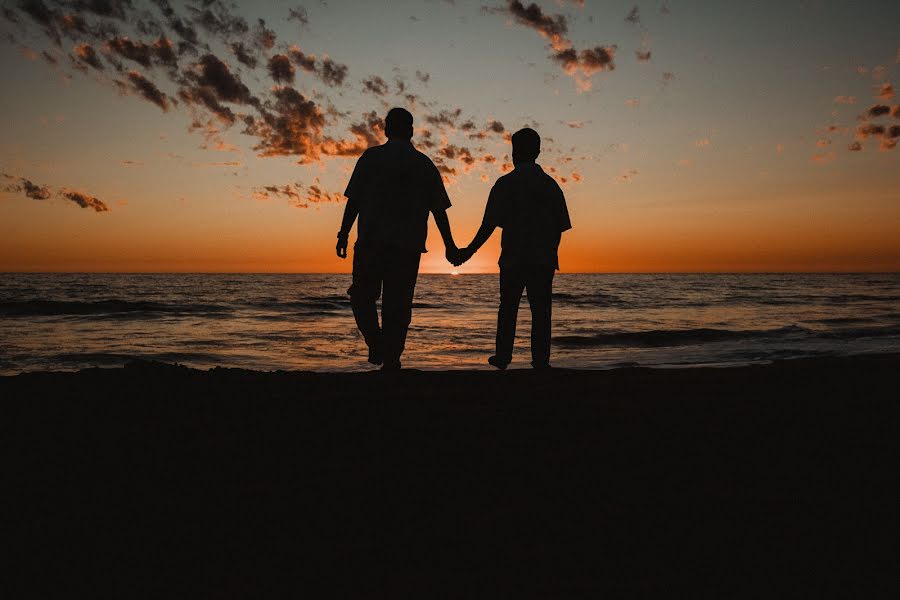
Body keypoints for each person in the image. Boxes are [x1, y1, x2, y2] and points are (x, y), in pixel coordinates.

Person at [337, 107, 458, 370]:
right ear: (411, 130)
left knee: (361, 297)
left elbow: (354, 201)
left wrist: (343, 233)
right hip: (407, 247)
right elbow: (439, 210)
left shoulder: (370, 158)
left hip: (371, 243)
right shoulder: (423, 164)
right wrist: (450, 246)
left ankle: (377, 344)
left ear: (386, 129)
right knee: (398, 306)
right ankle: (390, 358)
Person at [452, 128, 571, 369]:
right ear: (538, 152)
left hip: (513, 259)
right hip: (542, 259)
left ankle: (503, 356)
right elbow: (560, 226)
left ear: (515, 152)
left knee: (508, 308)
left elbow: (489, 225)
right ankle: (540, 360)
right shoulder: (550, 186)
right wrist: (550, 252)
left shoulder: (506, 184)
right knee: (541, 311)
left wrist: (469, 251)